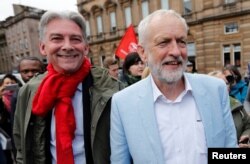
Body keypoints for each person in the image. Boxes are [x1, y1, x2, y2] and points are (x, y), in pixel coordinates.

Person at [110, 9, 237, 164]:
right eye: (164, 42)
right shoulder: (123, 103)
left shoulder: (216, 90)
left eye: (181, 41)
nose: (176, 51)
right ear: (143, 53)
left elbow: (230, 152)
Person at [13, 10, 124, 164]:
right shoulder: (27, 92)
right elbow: (21, 150)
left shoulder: (116, 91)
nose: (67, 46)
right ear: (43, 47)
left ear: (86, 47)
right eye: (57, 38)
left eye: (75, 39)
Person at [208, 70, 250, 148]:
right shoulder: (201, 110)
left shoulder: (236, 104)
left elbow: (248, 125)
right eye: (220, 83)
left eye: (226, 83)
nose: (225, 86)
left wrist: (246, 136)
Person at [0, 73, 22, 164]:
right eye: (7, 83)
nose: (9, 86)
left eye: (12, 83)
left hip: (17, 131)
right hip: (5, 132)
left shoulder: (19, 96)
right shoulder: (1, 99)